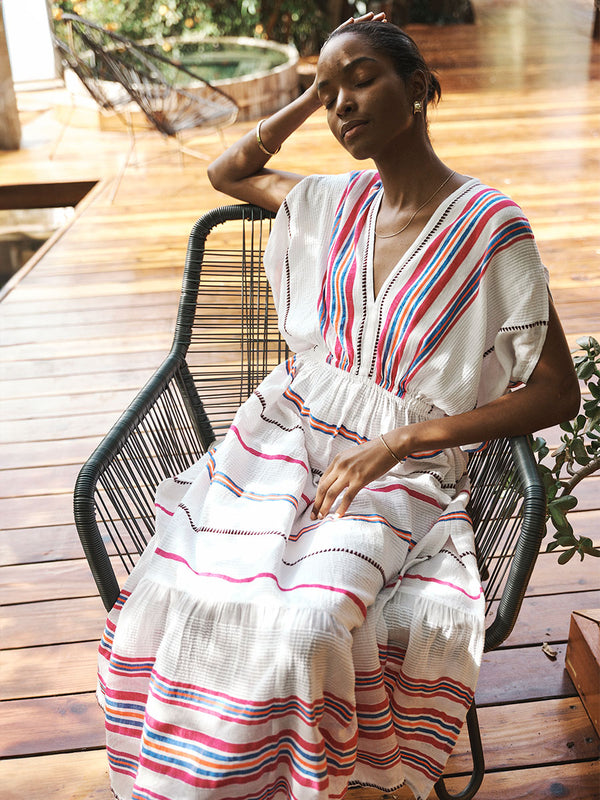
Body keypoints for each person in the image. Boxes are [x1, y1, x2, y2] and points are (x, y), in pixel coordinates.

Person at [97, 13, 580, 800]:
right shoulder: (332, 203)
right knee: (191, 587)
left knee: (313, 621)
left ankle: (309, 783)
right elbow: (228, 172)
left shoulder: (491, 227)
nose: (341, 106)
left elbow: (559, 391)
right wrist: (306, 93)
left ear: (419, 88)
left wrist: (408, 439)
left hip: (401, 463)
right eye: (329, 94)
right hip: (281, 440)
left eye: (362, 80)